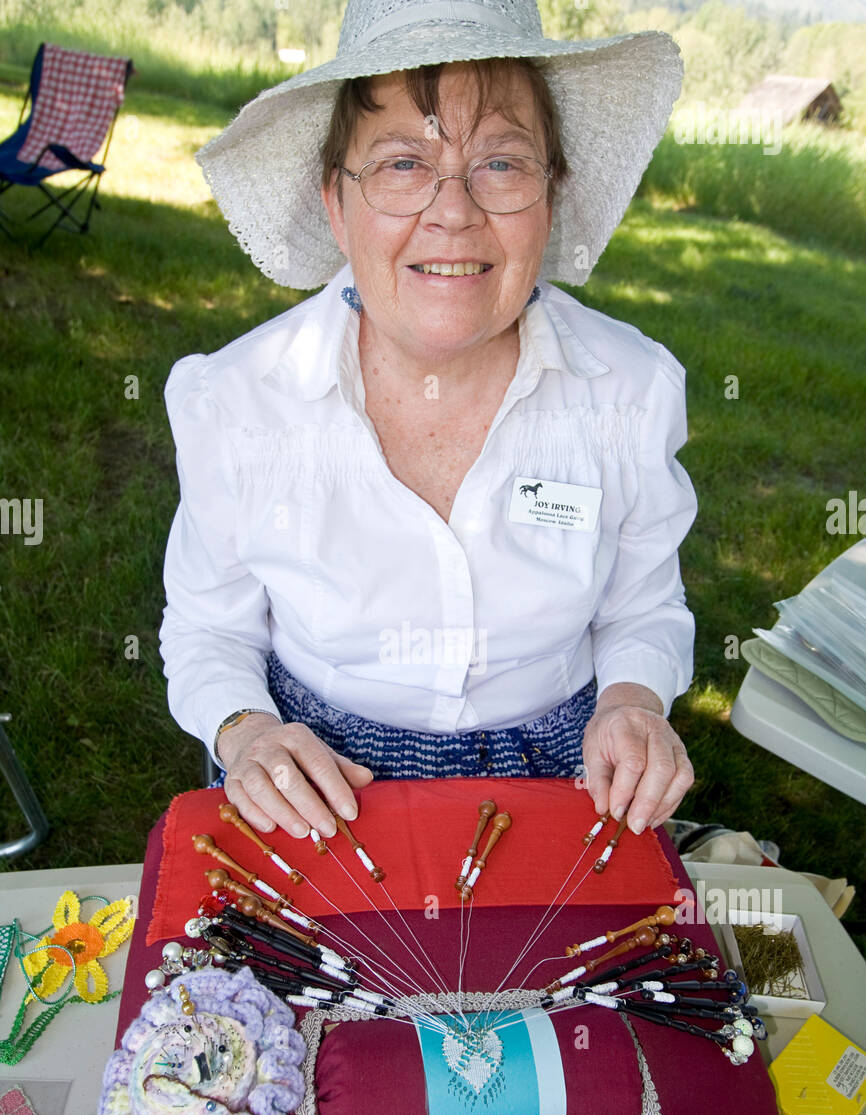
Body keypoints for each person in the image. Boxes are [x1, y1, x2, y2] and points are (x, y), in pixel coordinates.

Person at [159, 0, 697, 849]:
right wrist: (246, 734)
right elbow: (207, 627)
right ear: (336, 204)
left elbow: (644, 607)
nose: (454, 211)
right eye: (404, 164)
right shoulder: (237, 403)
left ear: (551, 195)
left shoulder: (629, 392)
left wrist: (632, 700)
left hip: (564, 775)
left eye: (502, 163)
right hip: (318, 780)